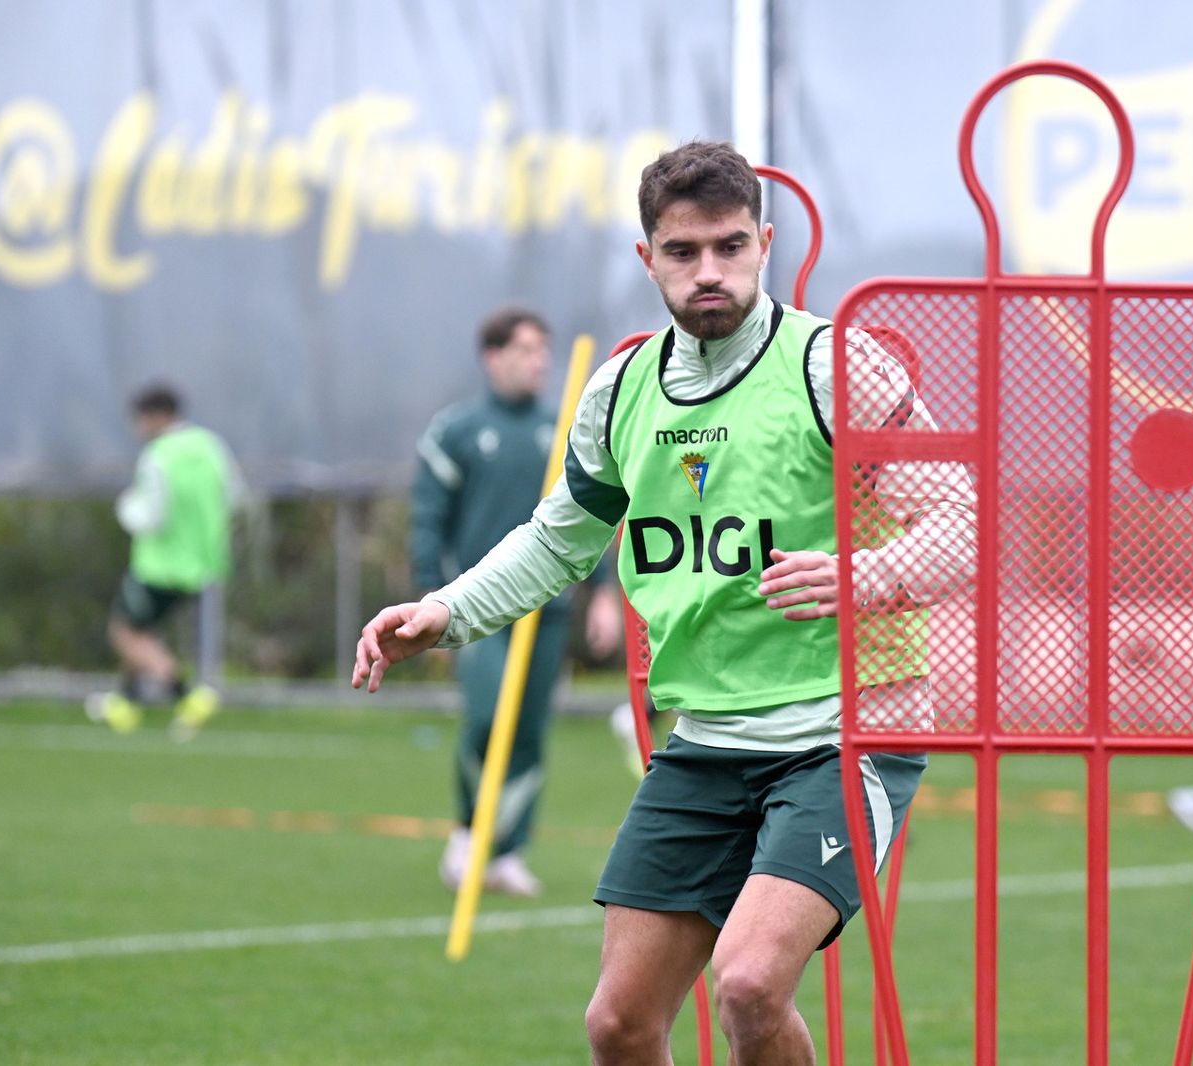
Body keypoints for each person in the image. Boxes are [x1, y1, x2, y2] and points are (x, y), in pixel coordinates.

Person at [353, 141, 973, 1063]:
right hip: (705, 743)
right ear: (649, 258)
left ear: (763, 243)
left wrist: (863, 576)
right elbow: (558, 538)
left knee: (752, 983)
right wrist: (447, 610)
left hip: (847, 736)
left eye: (729, 246)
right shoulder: (621, 390)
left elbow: (966, 520)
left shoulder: (836, 367)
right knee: (619, 1024)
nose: (709, 271)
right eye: (683, 252)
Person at [412, 306, 622, 897]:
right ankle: (468, 834)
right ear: (493, 356)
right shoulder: (454, 431)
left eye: (543, 351)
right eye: (525, 350)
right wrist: (430, 596)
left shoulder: (564, 429)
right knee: (485, 718)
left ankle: (507, 851)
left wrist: (603, 595)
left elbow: (591, 517)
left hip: (547, 610)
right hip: (476, 612)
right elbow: (427, 522)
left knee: (529, 731)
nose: (538, 362)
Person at [86, 383, 242, 741]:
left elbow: (150, 515)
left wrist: (125, 508)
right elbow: (232, 496)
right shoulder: (210, 446)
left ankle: (186, 694)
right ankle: (123, 702)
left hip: (158, 566)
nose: (139, 429)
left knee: (124, 632)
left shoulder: (159, 455)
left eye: (140, 420)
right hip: (201, 564)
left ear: (156, 416)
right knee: (142, 632)